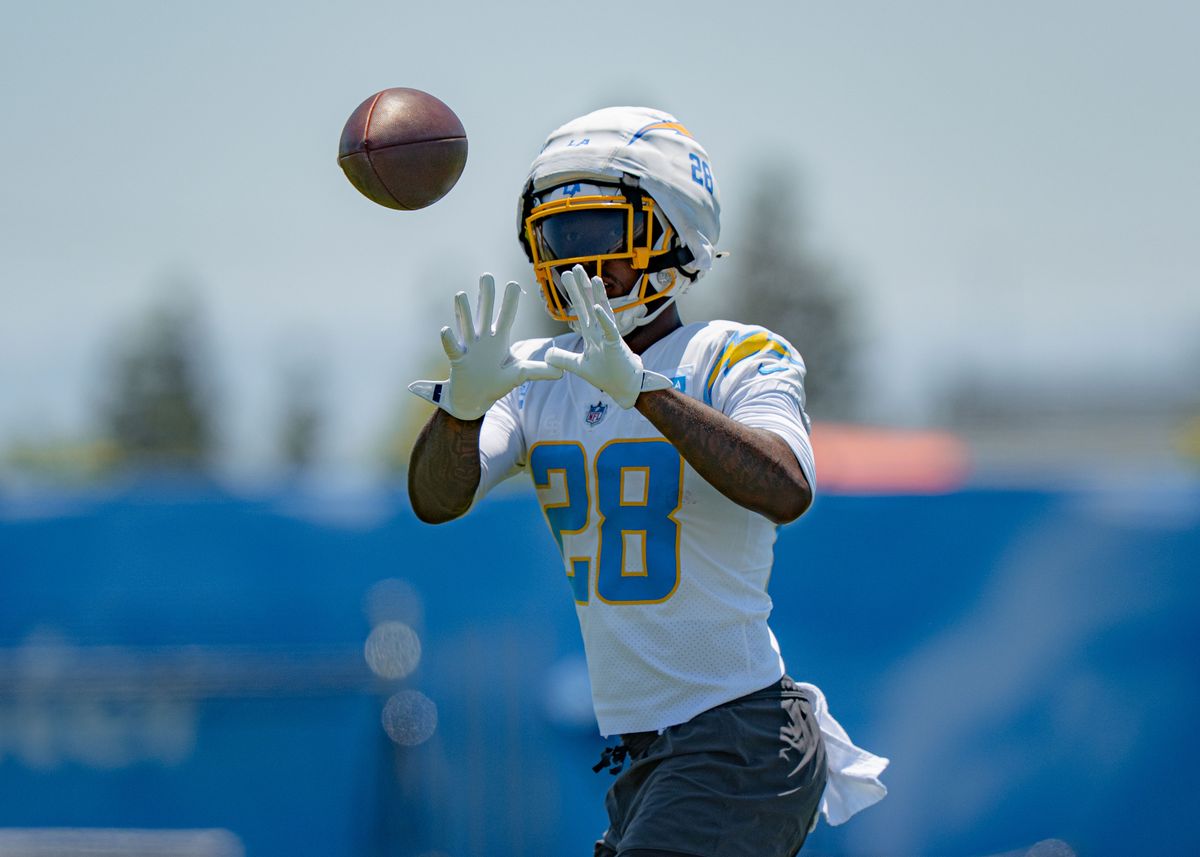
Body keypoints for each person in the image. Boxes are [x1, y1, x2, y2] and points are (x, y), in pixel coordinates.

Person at [407, 106, 887, 857]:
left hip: (740, 738)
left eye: (599, 233)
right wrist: (462, 411)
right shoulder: (537, 374)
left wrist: (644, 390)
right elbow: (437, 500)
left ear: (674, 232)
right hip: (653, 756)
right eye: (558, 239)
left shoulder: (733, 353)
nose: (577, 264)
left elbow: (787, 485)